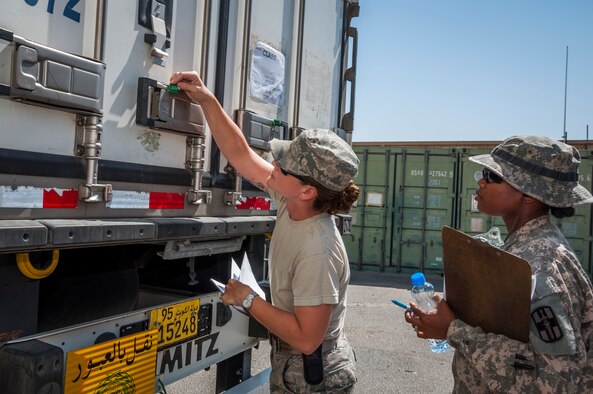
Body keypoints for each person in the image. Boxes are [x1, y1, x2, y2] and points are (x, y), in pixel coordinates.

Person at [169, 71, 359, 393]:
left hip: (315, 379)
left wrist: (248, 300)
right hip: (295, 367)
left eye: (283, 167)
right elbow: (241, 155)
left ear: (307, 191)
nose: (273, 165)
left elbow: (307, 338)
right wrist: (207, 99)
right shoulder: (292, 202)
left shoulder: (318, 249)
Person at [404, 136, 593, 392]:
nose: (480, 181)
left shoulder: (541, 264)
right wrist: (450, 317)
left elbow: (556, 381)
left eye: (493, 176)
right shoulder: (523, 249)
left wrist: (454, 330)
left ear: (528, 194)